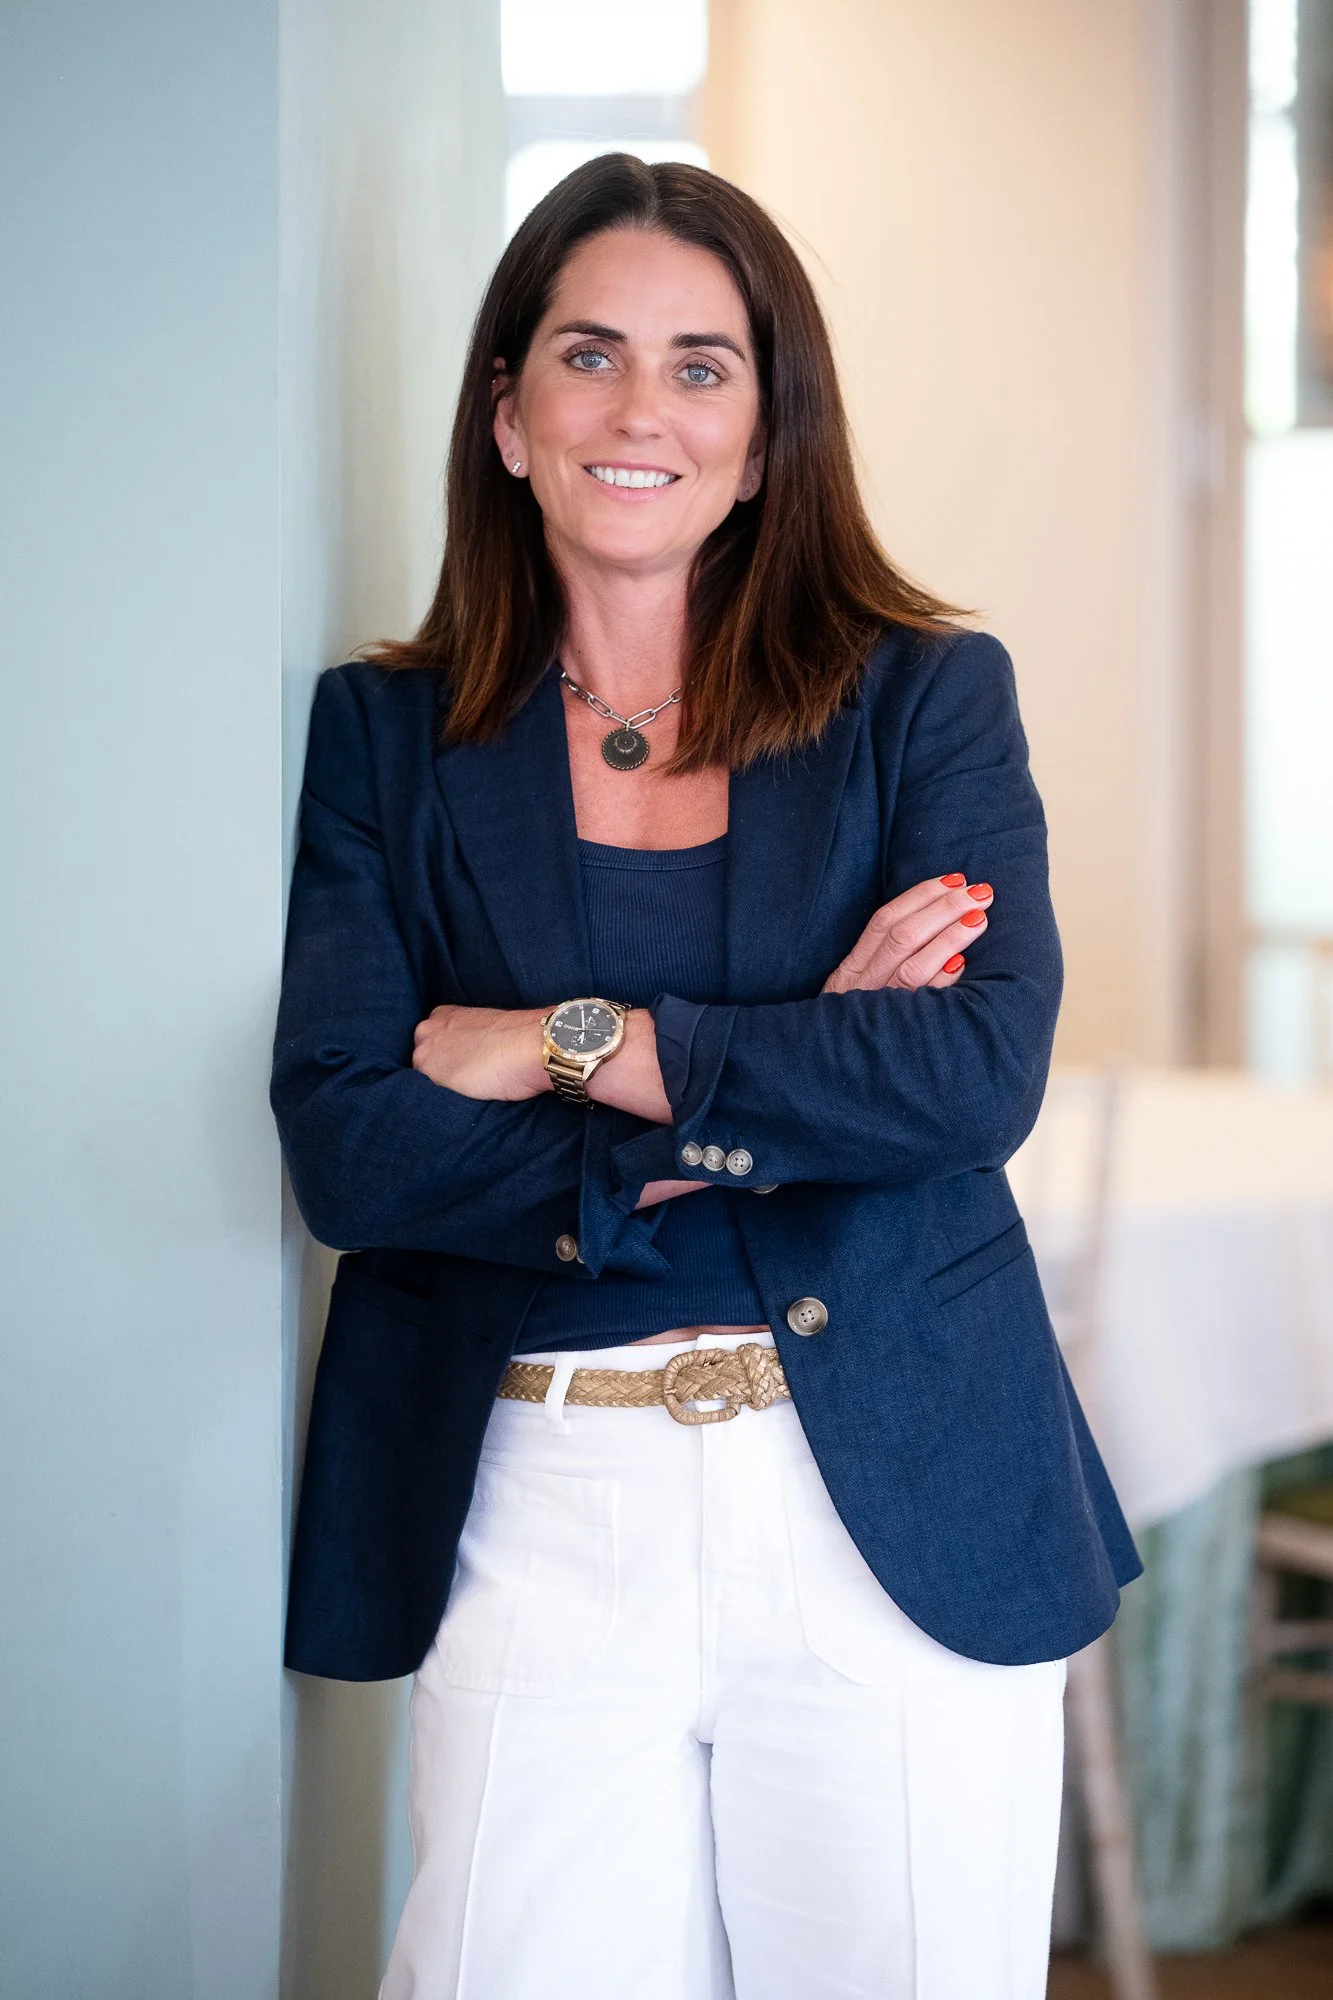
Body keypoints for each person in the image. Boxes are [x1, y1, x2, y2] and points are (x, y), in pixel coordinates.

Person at [272, 154, 1140, 2000]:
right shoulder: (385, 741)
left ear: (765, 434)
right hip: (531, 1485)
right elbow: (353, 1146)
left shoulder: (924, 700)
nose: (640, 409)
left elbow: (975, 1073)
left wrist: (561, 1044)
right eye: (589, 357)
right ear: (509, 419)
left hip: (894, 1477)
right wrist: (796, 1061)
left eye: (701, 364)